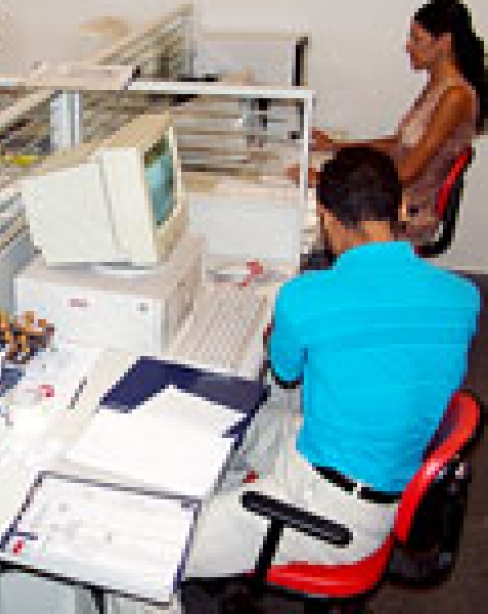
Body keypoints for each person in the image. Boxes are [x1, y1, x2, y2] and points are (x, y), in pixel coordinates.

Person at [186, 146, 480, 578]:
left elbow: (285, 371)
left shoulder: (306, 295)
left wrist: (281, 330)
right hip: (365, 466)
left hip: (331, 510)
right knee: (238, 416)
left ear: (326, 217)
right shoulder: (463, 297)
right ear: (400, 206)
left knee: (154, 551)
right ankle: (220, 505)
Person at [310, 0, 485, 245]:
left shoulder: (455, 96)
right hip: (398, 198)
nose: (408, 46)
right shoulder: (437, 86)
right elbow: (398, 143)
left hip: (410, 210)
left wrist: (329, 182)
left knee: (318, 213)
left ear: (444, 42)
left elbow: (409, 172)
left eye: (417, 39)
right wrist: (334, 146)